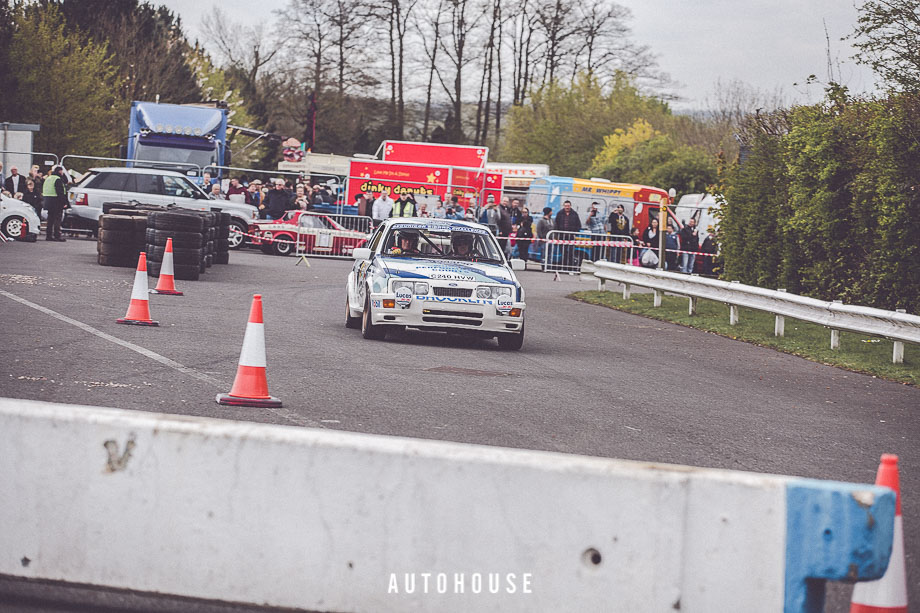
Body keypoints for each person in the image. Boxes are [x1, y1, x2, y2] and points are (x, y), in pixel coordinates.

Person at [42, 165, 68, 241]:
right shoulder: (57, 179)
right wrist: (64, 202)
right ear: (60, 171)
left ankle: (48, 235)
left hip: (48, 200)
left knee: (50, 219)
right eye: (62, 171)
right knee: (57, 219)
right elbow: (60, 192)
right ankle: (57, 235)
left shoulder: (48, 178)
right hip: (56, 201)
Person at [554, 200, 581, 269]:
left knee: (571, 253)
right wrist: (557, 234)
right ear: (563, 206)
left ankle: (570, 267)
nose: (567, 207)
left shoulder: (574, 214)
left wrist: (575, 233)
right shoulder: (559, 213)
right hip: (562, 236)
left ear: (570, 206)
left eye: (568, 206)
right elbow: (556, 224)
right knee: (563, 252)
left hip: (571, 236)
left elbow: (578, 225)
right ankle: (563, 266)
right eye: (566, 206)